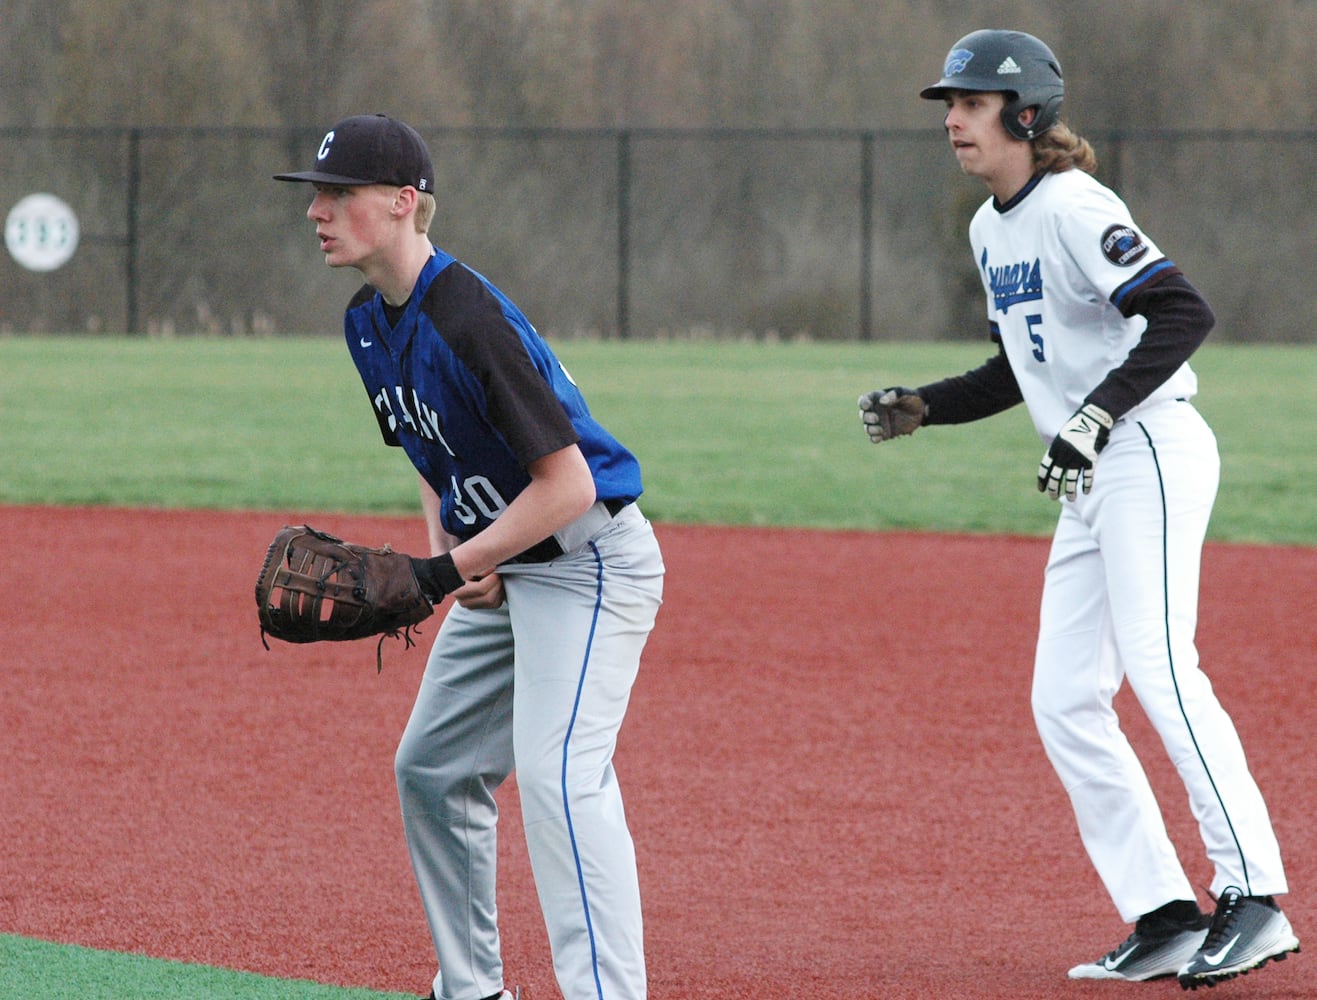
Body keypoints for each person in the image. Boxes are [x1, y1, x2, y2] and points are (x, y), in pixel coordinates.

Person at [857, 30, 1300, 989]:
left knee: (1161, 668)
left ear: (1024, 114)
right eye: (949, 104)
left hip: (1147, 448)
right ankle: (1166, 913)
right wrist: (926, 405)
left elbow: (1182, 313)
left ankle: (1255, 897)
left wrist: (1095, 416)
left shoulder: (1073, 206)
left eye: (970, 104)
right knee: (1062, 698)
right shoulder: (989, 228)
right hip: (1091, 473)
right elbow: (1018, 371)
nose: (952, 122)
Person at [274, 114, 664, 1000]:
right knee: (433, 767)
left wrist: (446, 574)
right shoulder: (367, 323)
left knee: (560, 777)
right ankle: (473, 988)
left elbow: (568, 485)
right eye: (315, 195)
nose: (317, 211)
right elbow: (428, 452)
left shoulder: (466, 316)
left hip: (588, 560)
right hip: (508, 563)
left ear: (404, 203)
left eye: (337, 195)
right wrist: (447, 545)